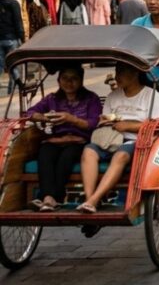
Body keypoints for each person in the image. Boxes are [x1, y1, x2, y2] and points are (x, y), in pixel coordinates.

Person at [77, 62, 159, 213]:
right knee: (88, 151)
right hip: (110, 138)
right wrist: (106, 121)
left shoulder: (152, 96)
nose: (118, 77)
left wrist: (128, 126)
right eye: (117, 72)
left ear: (136, 73)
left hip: (135, 140)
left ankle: (93, 200)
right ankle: (90, 199)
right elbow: (103, 119)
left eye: (122, 72)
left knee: (121, 155)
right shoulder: (113, 96)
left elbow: (157, 125)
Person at [25, 64, 102, 211]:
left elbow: (94, 123)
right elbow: (30, 112)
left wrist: (71, 119)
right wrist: (42, 117)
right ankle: (48, 197)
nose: (69, 82)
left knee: (67, 156)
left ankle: (56, 197)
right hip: (56, 140)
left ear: (81, 81)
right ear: (59, 80)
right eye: (65, 78)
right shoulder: (52, 99)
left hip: (80, 141)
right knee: (45, 153)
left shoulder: (91, 98)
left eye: (74, 78)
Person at [0, 0, 26, 96]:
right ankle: (13, 90)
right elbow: (18, 22)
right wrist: (22, 38)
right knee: (13, 63)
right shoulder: (13, 3)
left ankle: (17, 83)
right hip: (11, 38)